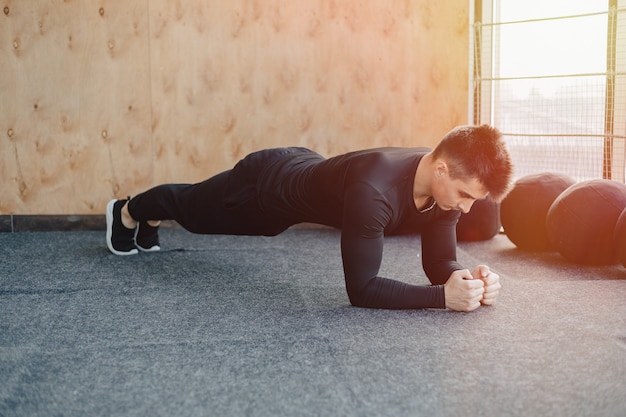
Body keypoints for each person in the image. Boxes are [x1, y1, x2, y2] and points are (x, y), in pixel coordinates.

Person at [106, 125, 514, 312]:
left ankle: (147, 221)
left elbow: (437, 264)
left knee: (195, 209)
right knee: (193, 209)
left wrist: (465, 279)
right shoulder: (374, 192)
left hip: (299, 180)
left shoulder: (443, 194)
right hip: (263, 186)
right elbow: (363, 289)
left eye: (472, 201)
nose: (465, 209)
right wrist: (441, 298)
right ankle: (128, 210)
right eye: (464, 196)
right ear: (441, 169)